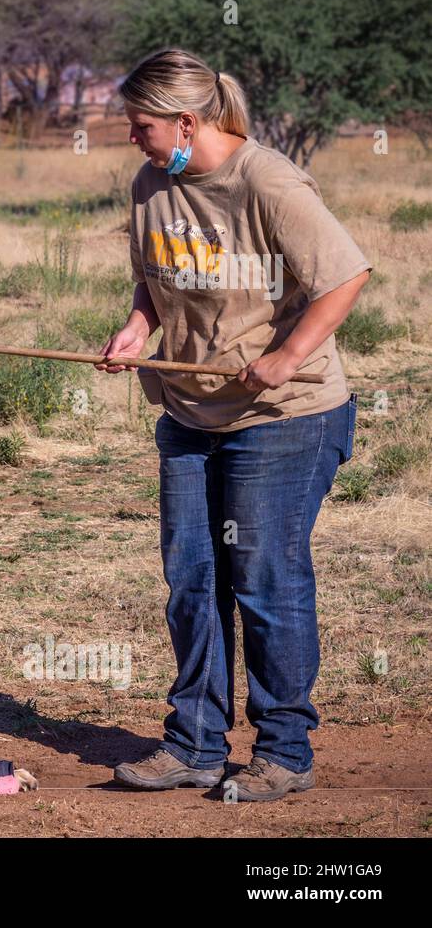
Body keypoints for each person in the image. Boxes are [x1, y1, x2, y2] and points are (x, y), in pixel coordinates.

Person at [97, 48, 369, 802]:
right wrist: (134, 329)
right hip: (189, 410)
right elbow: (156, 281)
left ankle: (284, 750)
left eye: (141, 124)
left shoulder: (267, 180)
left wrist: (287, 354)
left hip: (284, 416)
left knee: (264, 580)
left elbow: (346, 275)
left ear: (187, 121)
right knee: (193, 579)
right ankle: (193, 744)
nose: (132, 136)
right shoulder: (152, 183)